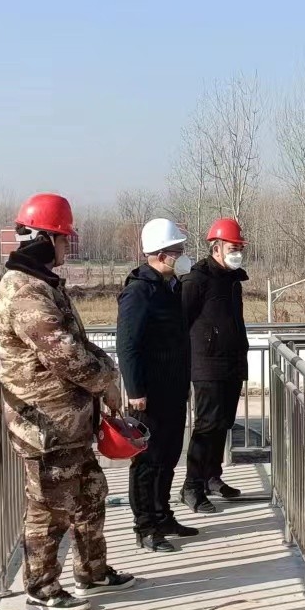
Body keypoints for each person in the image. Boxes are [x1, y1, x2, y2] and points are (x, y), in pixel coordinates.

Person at [0, 193, 134, 610]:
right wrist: (106, 381)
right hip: (45, 425)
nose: (66, 248)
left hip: (68, 422)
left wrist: (107, 374)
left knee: (90, 493)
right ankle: (42, 587)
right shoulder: (24, 291)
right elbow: (64, 353)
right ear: (44, 239)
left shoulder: (42, 285)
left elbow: (80, 343)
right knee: (50, 509)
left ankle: (92, 570)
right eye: (63, 240)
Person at [117, 218, 195, 551]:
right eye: (178, 250)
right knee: (148, 461)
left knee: (169, 455)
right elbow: (127, 345)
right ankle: (145, 526)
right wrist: (135, 391)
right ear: (161, 255)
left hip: (173, 388)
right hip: (149, 394)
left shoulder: (171, 286)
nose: (183, 255)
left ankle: (163, 515)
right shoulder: (139, 291)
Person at [180, 217, 250, 514]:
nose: (238, 253)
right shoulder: (196, 280)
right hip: (207, 364)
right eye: (233, 248)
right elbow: (181, 323)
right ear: (216, 248)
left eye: (240, 248)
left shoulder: (232, 280)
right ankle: (191, 486)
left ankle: (212, 476)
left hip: (232, 363)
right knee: (206, 425)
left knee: (223, 423)